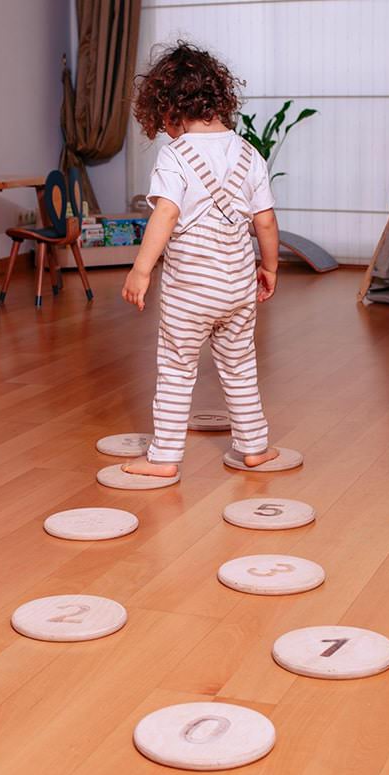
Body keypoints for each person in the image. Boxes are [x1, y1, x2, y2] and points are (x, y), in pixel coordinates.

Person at [121, 42, 280, 478]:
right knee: (240, 366)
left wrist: (142, 268)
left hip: (190, 294)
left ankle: (164, 458)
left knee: (176, 369)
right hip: (236, 290)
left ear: (168, 110)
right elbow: (264, 221)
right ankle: (254, 447)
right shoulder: (249, 154)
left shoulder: (175, 156)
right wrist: (268, 268)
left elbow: (166, 214)